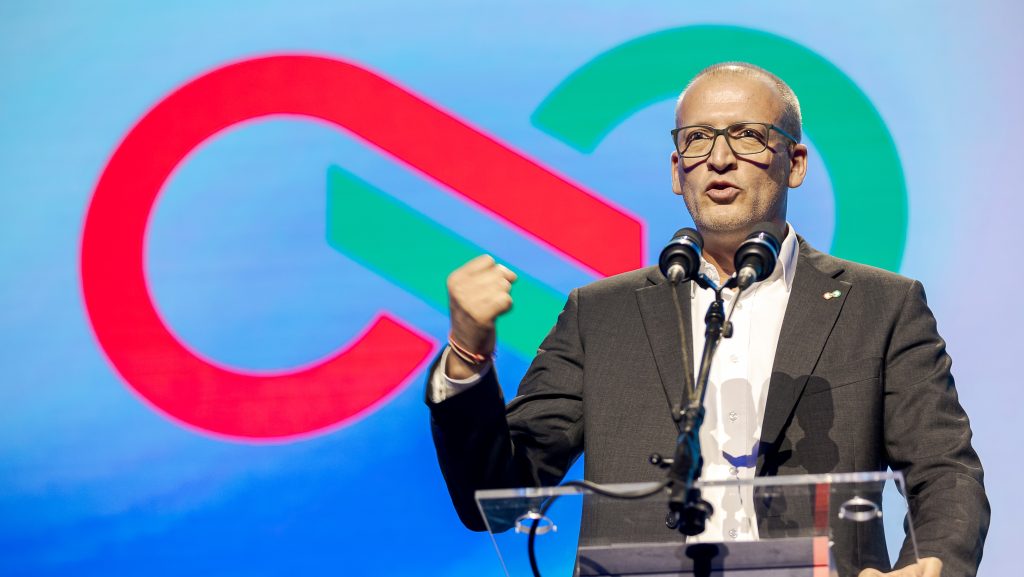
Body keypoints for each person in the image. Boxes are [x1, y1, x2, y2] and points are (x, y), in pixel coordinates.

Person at [427, 62, 988, 577]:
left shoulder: (881, 306)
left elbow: (945, 472)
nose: (719, 159)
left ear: (794, 163)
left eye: (747, 136)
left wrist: (931, 565)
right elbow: (497, 493)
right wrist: (467, 355)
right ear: (678, 171)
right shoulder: (599, 315)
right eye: (697, 139)